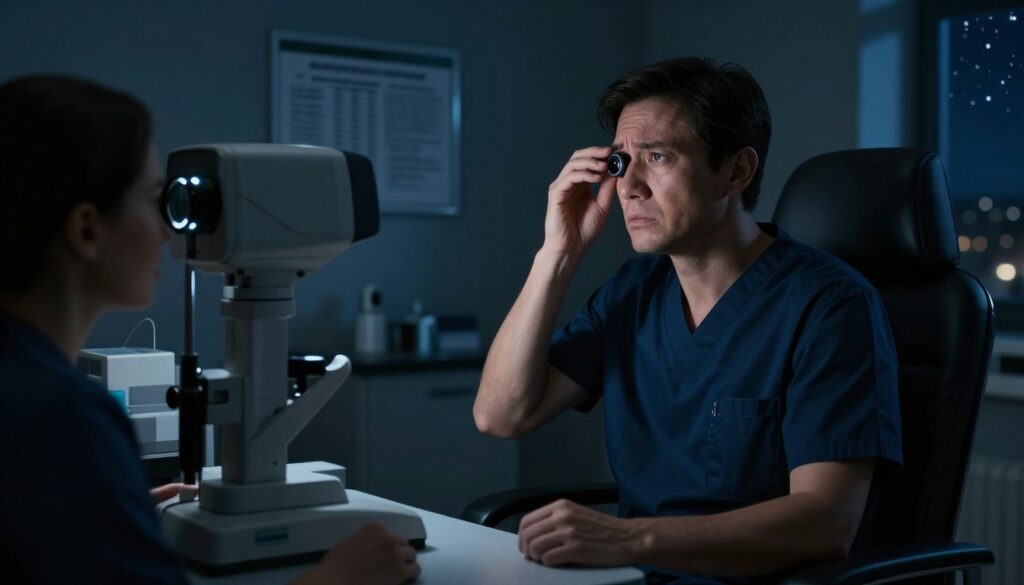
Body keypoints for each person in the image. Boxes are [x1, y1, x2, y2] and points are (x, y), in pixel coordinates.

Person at [473, 57, 902, 584]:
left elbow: (826, 522)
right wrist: (557, 253)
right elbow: (501, 415)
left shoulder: (830, 305)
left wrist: (629, 539)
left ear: (735, 172)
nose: (628, 185)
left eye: (657, 157)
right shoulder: (633, 292)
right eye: (619, 161)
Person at [0, 75, 420, 585]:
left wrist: (105, 504)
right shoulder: (64, 420)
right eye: (156, 200)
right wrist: (334, 579)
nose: (169, 226)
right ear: (86, 229)